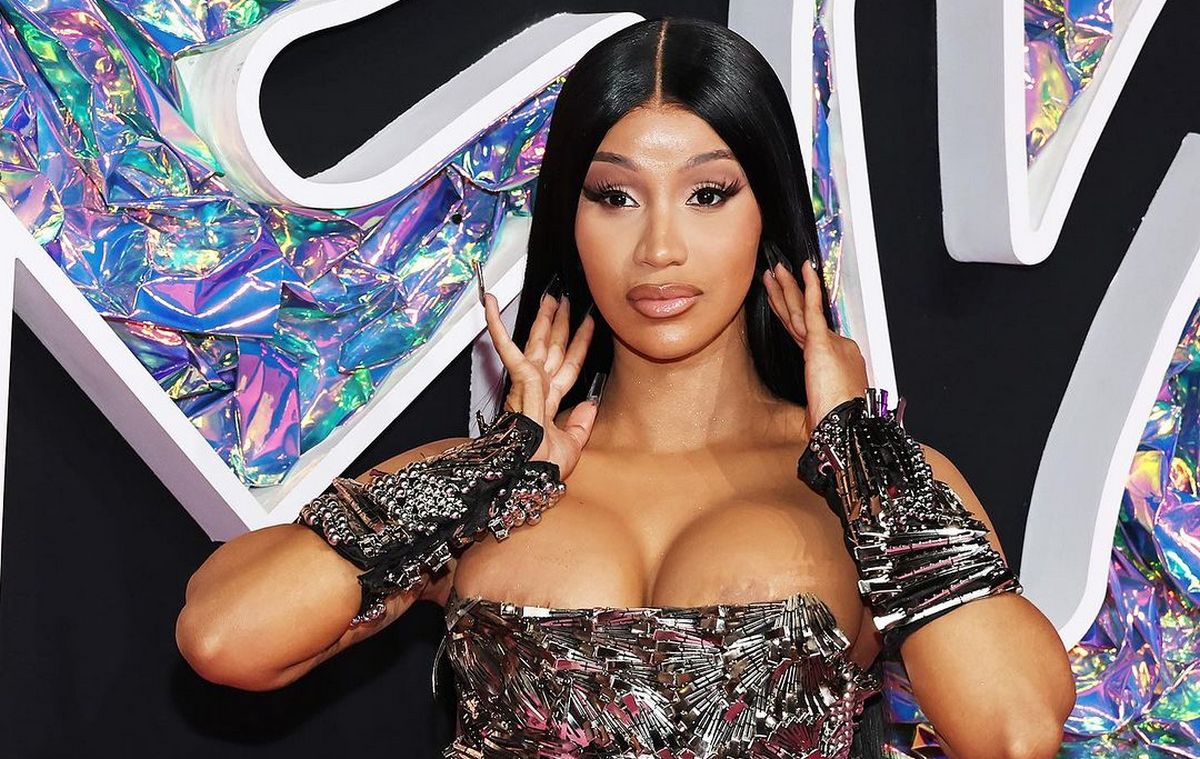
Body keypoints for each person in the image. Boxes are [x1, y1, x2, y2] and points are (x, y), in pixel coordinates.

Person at [176, 16, 1076, 758]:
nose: (660, 248)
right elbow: (226, 637)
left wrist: (857, 445)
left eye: (707, 193)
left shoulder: (866, 485)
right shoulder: (487, 487)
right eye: (615, 196)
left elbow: (1015, 731)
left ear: (767, 211)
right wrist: (486, 473)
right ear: (569, 219)